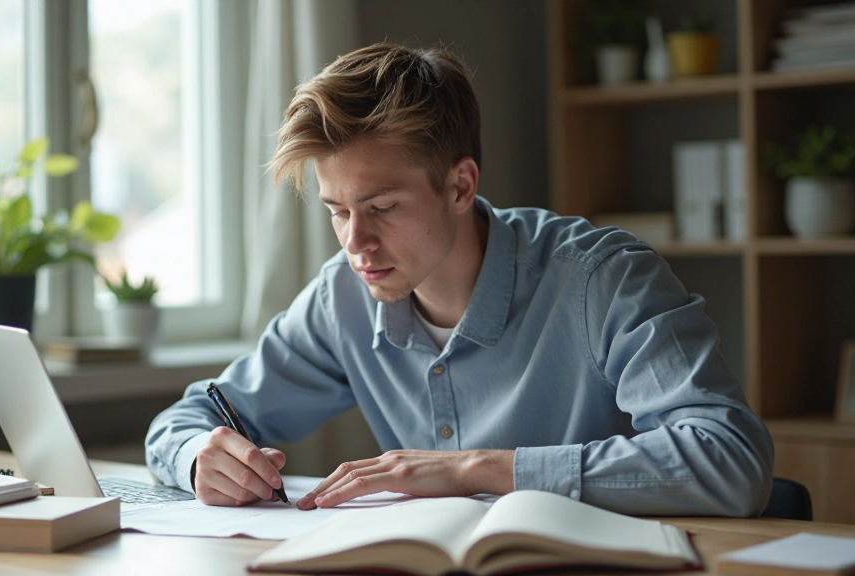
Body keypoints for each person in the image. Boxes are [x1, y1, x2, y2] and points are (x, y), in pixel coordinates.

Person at [145, 43, 774, 516]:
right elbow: (189, 418)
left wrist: (475, 469)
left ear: (459, 185)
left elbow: (731, 457)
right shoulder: (343, 296)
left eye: (383, 207)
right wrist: (198, 454)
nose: (355, 242)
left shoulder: (603, 279)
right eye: (338, 211)